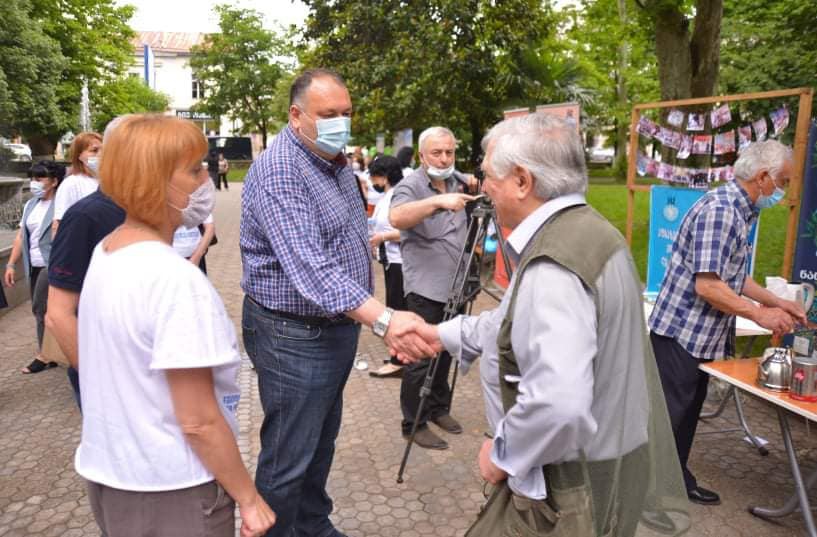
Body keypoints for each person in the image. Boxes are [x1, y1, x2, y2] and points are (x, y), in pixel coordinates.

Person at [404, 113, 688, 536]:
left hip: (569, 486)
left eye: (488, 177)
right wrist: (440, 334)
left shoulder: (553, 266)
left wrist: (502, 455)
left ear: (522, 181)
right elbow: (509, 323)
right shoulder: (591, 232)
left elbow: (558, 404)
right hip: (607, 463)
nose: (483, 189)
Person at [240, 68, 435, 537]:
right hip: (293, 334)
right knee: (289, 455)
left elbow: (347, 231)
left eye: (346, 113)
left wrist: (381, 235)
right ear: (296, 115)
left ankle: (311, 525)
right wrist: (386, 319)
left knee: (318, 443)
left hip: (333, 328)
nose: (341, 123)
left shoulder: (334, 160)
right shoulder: (281, 170)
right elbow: (311, 268)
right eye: (329, 115)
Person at [74, 114, 275, 537]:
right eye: (195, 169)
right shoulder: (174, 279)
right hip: (171, 490)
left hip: (116, 476)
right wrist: (249, 499)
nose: (207, 178)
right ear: (155, 181)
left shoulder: (107, 251)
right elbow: (198, 420)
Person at [648, 140, 805, 506]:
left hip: (700, 337)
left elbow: (733, 277)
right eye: (782, 180)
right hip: (681, 334)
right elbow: (709, 286)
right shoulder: (721, 211)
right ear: (763, 177)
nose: (783, 190)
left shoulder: (741, 210)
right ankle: (650, 492)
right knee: (669, 416)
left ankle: (675, 480)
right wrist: (759, 314)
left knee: (686, 415)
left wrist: (777, 301)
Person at [389, 126, 476, 450]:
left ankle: (439, 408)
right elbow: (397, 217)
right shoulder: (411, 186)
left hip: (457, 286)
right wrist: (438, 200)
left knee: (449, 349)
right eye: (437, 152)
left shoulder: (458, 180)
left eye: (449, 152)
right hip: (425, 288)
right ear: (422, 155)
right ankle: (413, 422)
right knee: (420, 358)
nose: (444, 158)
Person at [4, 160, 65, 373]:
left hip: (53, 264)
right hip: (34, 265)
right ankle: (52, 352)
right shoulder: (30, 205)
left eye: (39, 179)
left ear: (54, 181)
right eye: (32, 178)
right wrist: (11, 264)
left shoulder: (62, 203)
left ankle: (45, 355)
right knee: (42, 310)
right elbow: (21, 236)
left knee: (40, 307)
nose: (34, 183)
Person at [368, 156, 407, 378]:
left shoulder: (400, 196)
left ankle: (398, 361)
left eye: (375, 176)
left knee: (397, 311)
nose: (373, 181)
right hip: (390, 261)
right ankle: (399, 355)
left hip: (400, 262)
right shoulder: (387, 196)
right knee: (393, 308)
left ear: (384, 176)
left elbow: (409, 231)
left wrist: (382, 237)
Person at [53, 132, 102, 233]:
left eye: (104, 150)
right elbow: (58, 225)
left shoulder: (109, 183)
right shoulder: (71, 184)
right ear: (79, 156)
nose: (101, 154)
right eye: (94, 150)